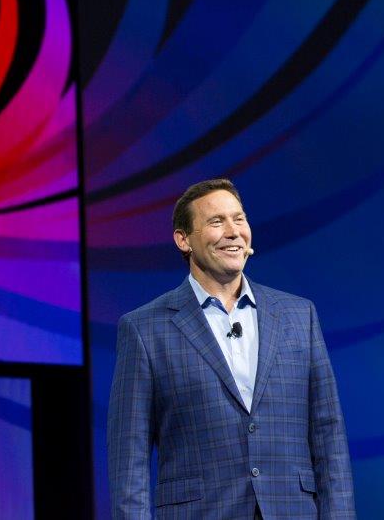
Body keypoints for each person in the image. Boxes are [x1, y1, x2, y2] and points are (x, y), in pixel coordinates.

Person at [108, 178, 355, 519]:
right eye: (216, 221)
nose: (233, 232)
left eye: (239, 219)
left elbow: (329, 436)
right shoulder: (145, 329)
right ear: (184, 240)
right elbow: (129, 459)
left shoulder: (299, 315)